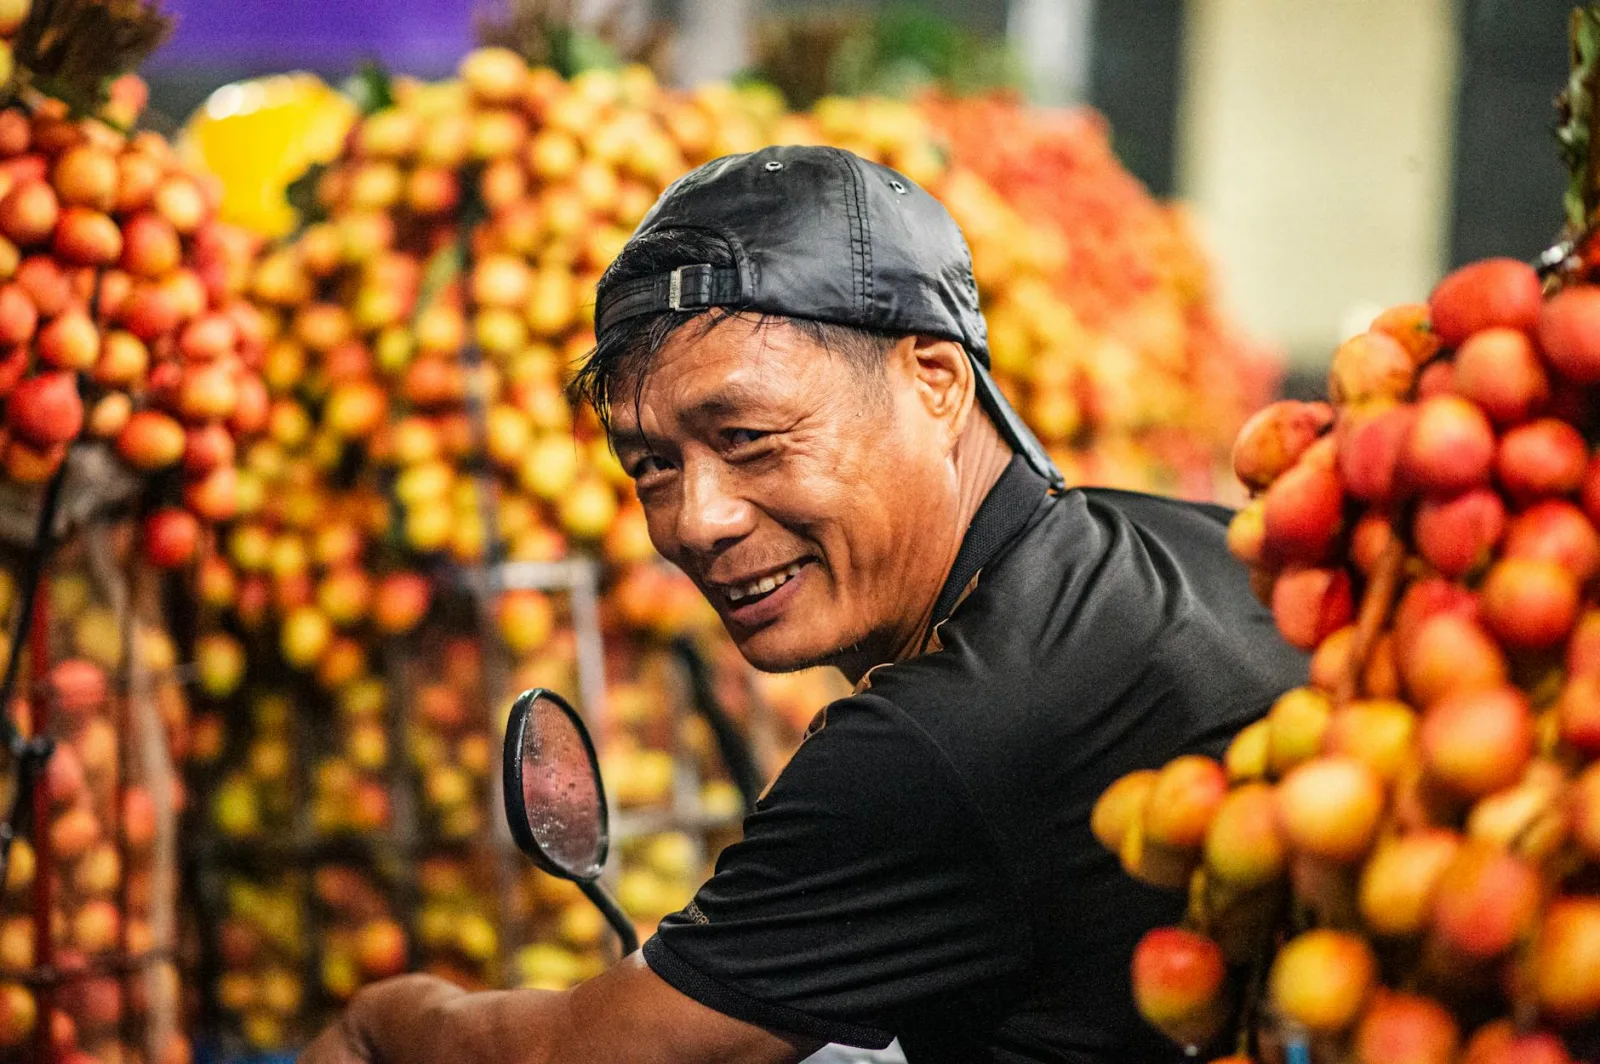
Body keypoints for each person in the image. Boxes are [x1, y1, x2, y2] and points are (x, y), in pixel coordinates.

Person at [303, 144, 1307, 1064]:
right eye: (651, 464)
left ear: (935, 382)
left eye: (747, 436)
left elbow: (589, 1053)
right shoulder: (1210, 546)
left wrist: (386, 1018)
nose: (696, 519)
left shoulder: (937, 740)